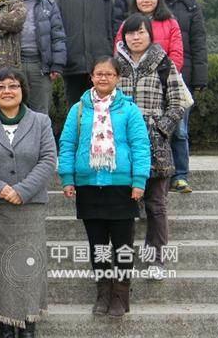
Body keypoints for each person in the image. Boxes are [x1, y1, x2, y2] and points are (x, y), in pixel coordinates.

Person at [0, 67, 57, 338]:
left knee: (27, 266)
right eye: (0, 87)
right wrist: (0, 189)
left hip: (29, 209)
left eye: (13, 86)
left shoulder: (41, 122)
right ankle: (4, 326)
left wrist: (22, 191)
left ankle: (27, 326)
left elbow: (48, 159)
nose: (7, 91)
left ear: (23, 90)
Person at [59, 56, 151, 318]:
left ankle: (121, 294)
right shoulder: (78, 109)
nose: (103, 78)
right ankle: (103, 292)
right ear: (91, 77)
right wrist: (67, 177)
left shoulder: (129, 110)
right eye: (99, 73)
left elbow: (140, 146)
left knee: (123, 245)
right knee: (97, 245)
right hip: (88, 186)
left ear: (118, 78)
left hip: (121, 186)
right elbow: (67, 144)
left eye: (109, 74)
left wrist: (139, 180)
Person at [115, 13, 186, 280]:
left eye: (141, 32)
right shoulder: (114, 64)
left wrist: (160, 129)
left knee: (156, 204)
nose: (135, 37)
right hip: (121, 146)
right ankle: (122, 259)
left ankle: (156, 259)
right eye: (130, 33)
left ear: (150, 34)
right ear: (124, 37)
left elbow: (178, 102)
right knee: (122, 206)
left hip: (155, 144)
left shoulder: (164, 63)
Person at [156, 0, 208, 194]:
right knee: (157, 127)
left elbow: (199, 42)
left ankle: (180, 175)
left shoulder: (190, 5)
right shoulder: (150, 2)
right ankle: (161, 173)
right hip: (154, 77)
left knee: (180, 130)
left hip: (182, 75)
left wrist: (200, 77)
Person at [55, 0, 114, 109]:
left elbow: (112, 28)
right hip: (73, 65)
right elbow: (56, 29)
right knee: (76, 111)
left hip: (101, 65)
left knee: (102, 111)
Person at [12, 0, 67, 114]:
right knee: (13, 109)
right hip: (14, 63)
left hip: (40, 66)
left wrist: (57, 65)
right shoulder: (6, 3)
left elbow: (58, 35)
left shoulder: (47, 5)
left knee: (41, 112)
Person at [114, 0, 183, 72]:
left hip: (163, 75)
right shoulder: (127, 23)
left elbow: (176, 54)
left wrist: (168, 74)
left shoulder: (171, 23)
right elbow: (119, 51)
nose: (146, 0)